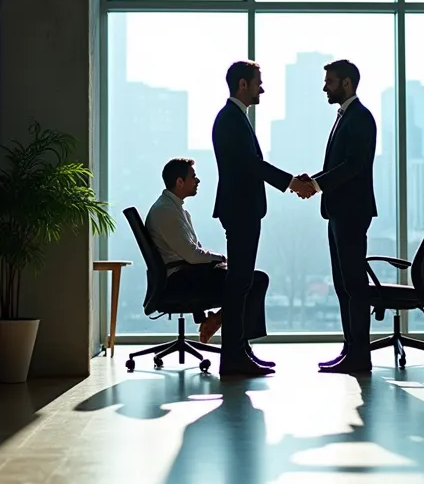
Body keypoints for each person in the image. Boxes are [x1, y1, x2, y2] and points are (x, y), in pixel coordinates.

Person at [212, 60, 315, 376]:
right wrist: (291, 183)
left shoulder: (234, 118)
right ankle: (232, 357)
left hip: (242, 209)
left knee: (242, 282)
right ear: (243, 84)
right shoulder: (230, 120)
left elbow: (252, 163)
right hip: (240, 210)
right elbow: (252, 165)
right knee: (239, 283)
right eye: (259, 82)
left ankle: (240, 350)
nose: (263, 88)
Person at [299, 59, 377, 374]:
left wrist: (316, 184)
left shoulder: (360, 117)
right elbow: (339, 166)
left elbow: (353, 165)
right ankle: (351, 350)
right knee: (344, 284)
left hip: (351, 211)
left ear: (346, 83)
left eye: (329, 81)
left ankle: (360, 355)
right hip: (339, 212)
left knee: (353, 285)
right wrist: (314, 180)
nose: (324, 87)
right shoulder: (346, 116)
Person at [144, 158, 269, 347]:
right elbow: (193, 255)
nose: (197, 180)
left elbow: (193, 252)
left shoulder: (174, 209)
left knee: (247, 279)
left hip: (188, 274)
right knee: (254, 281)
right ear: (179, 182)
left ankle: (227, 331)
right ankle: (235, 341)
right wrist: (220, 258)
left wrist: (217, 262)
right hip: (182, 281)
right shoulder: (166, 212)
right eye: (193, 177)